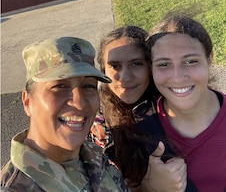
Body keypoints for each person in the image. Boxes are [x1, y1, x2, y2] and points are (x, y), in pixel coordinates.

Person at [0, 37, 129, 192]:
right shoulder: (14, 187)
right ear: (28, 102)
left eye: (88, 86)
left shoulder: (94, 156)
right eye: (60, 86)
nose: (79, 103)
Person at [88, 26, 195, 192]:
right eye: (115, 66)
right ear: (103, 70)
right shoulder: (92, 118)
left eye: (136, 64)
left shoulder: (170, 107)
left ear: (150, 67)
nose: (125, 78)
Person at [146, 14, 226, 192]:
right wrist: (151, 187)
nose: (178, 77)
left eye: (190, 61)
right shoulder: (139, 127)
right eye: (164, 64)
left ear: (210, 58)